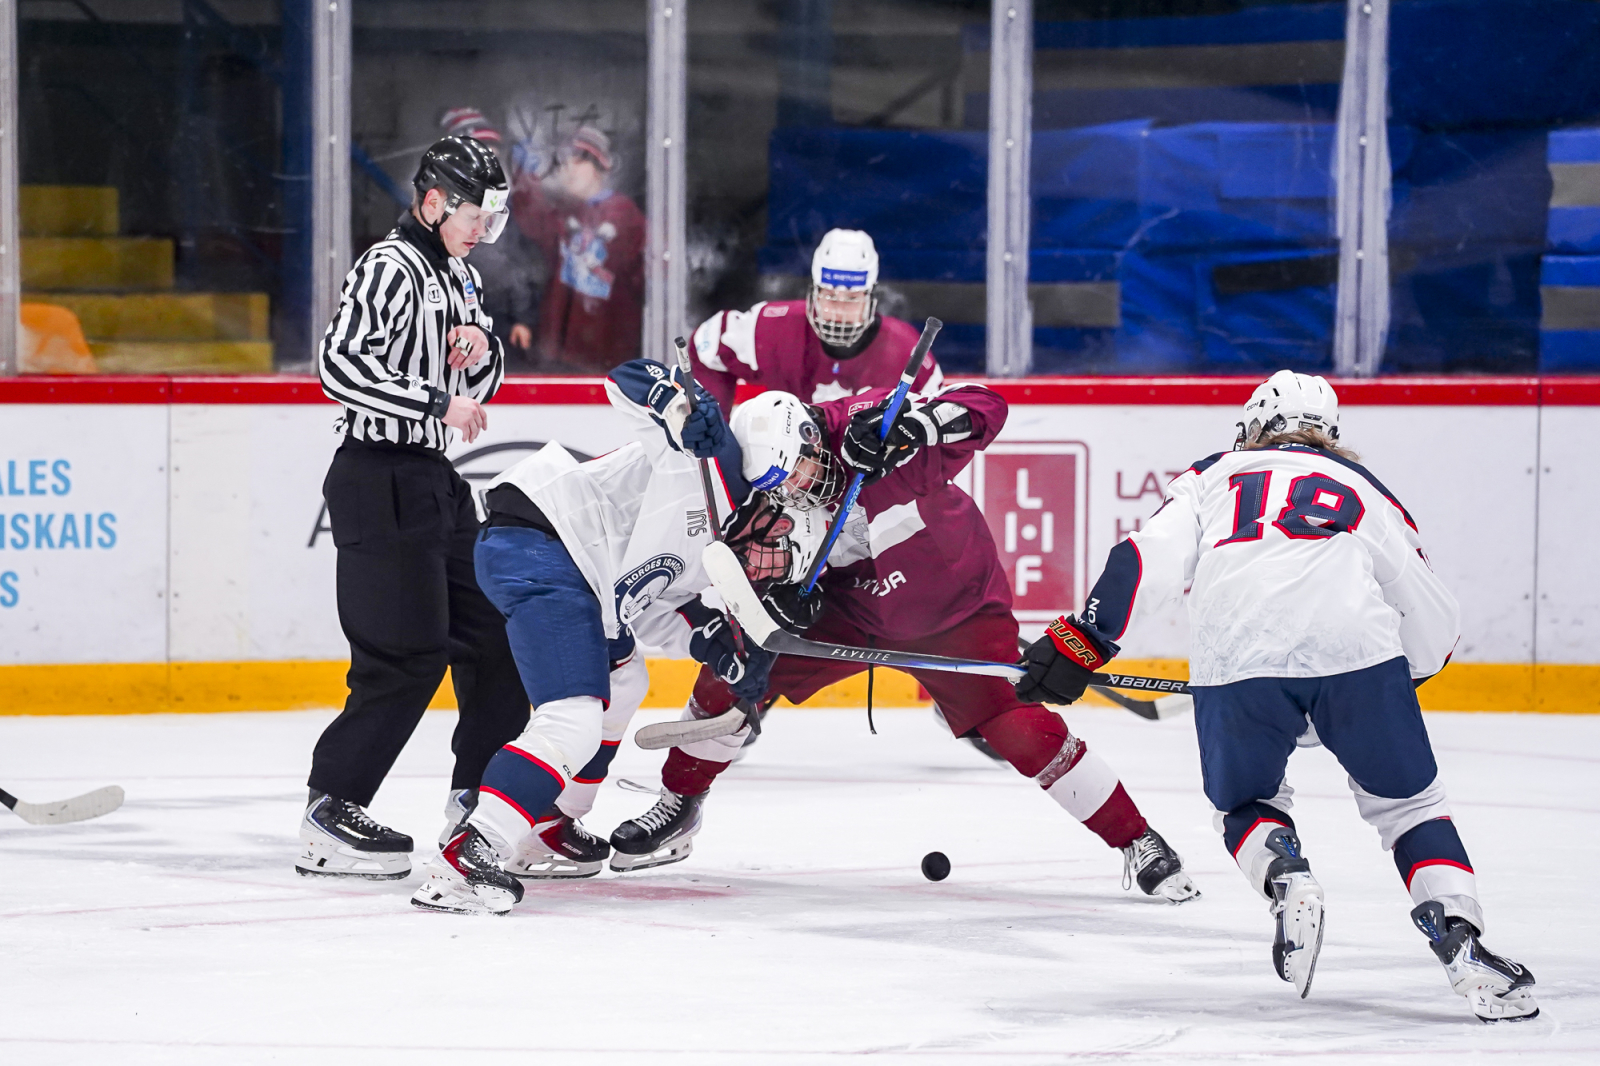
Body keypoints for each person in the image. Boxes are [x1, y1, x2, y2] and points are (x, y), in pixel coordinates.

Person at [1014, 371, 1538, 1022]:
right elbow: (1434, 614)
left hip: (1236, 657)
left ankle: (1286, 876)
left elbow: (1141, 560)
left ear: (1254, 425)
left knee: (1245, 803)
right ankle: (1462, 941)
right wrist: (1393, 684)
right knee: (1411, 808)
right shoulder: (1362, 487)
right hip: (1359, 655)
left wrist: (1082, 642)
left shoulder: (1212, 475)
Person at [608, 386, 1200, 904]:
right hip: (843, 606)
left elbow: (987, 406)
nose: (795, 491)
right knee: (733, 672)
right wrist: (779, 600)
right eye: (780, 486)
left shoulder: (868, 429)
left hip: (954, 609)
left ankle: (1137, 838)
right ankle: (679, 804)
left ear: (812, 439)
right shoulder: (762, 481)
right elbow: (754, 565)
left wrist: (919, 425)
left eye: (799, 472)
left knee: (1018, 727)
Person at [410, 358, 828, 914]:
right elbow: (626, 378)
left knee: (625, 681)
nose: (768, 566)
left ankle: (547, 824)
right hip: (545, 541)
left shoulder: (718, 549)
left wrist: (720, 652)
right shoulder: (709, 460)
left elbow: (649, 604)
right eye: (778, 545)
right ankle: (471, 852)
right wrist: (677, 406)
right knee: (574, 718)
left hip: (583, 571)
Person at [302, 135, 530, 882]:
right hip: (378, 476)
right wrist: (436, 399)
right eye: (474, 215)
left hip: (434, 478)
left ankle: (480, 805)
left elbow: (483, 382)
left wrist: (479, 348)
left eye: (492, 219)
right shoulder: (388, 266)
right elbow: (338, 365)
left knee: (497, 633)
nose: (482, 230)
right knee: (405, 653)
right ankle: (332, 808)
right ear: (433, 202)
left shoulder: (460, 276)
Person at [690, 228, 944, 411]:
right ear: (814, 294)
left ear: (871, 298)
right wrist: (716, 431)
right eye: (829, 296)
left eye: (852, 298)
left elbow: (942, 425)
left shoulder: (904, 350)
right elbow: (706, 344)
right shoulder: (775, 328)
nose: (839, 310)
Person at [510, 126, 646, 372]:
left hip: (607, 357)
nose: (569, 169)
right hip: (562, 356)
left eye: (579, 160)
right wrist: (526, 177)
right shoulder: (568, 213)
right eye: (565, 162)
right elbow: (534, 222)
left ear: (600, 167)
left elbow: (644, 280)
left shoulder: (625, 215)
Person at [438, 108, 544, 371]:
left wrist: (522, 319)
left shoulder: (501, 208)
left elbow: (517, 264)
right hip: (447, 321)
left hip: (497, 319)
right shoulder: (434, 209)